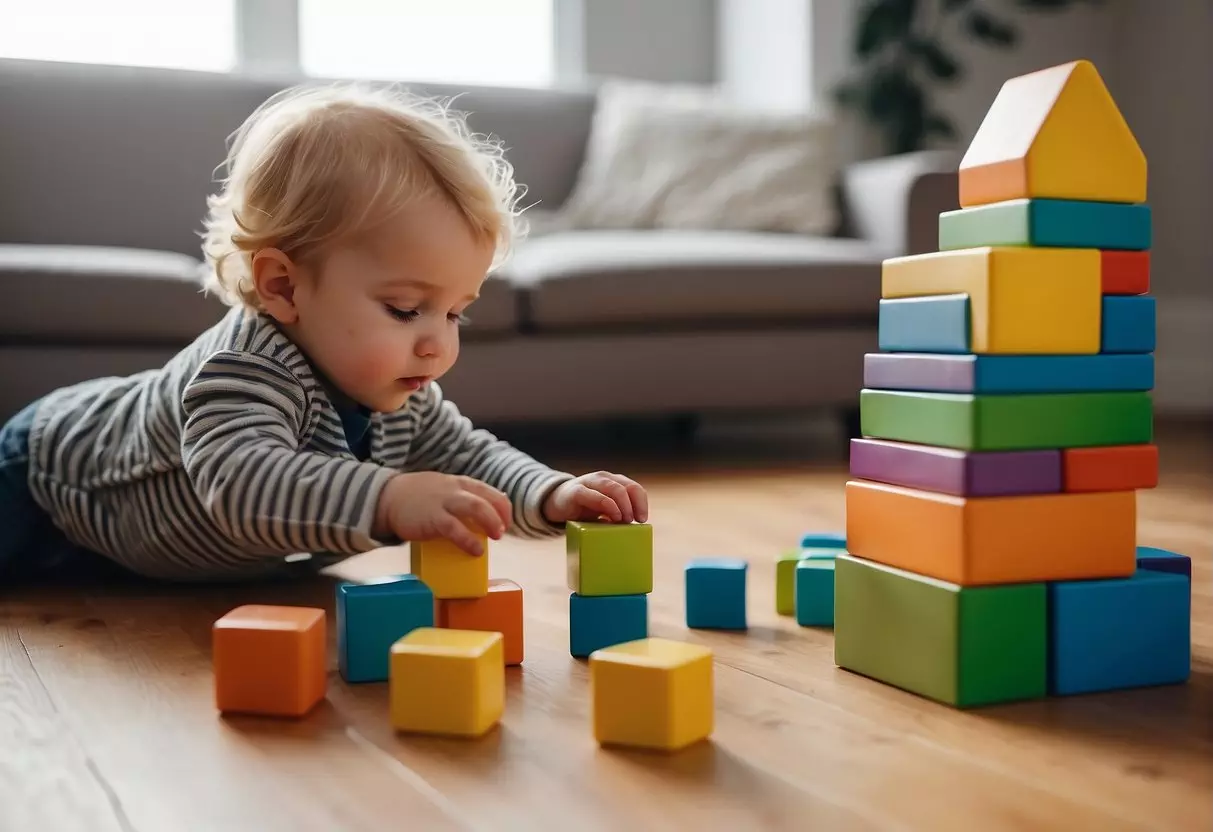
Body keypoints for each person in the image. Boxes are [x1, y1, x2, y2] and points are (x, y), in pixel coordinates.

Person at [0, 82, 649, 582]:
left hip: (140, 554)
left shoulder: (400, 393)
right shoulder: (239, 371)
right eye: (403, 309)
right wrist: (389, 497)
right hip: (44, 485)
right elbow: (241, 483)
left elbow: (468, 459)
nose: (436, 344)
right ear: (283, 286)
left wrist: (552, 492)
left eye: (454, 313)